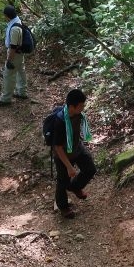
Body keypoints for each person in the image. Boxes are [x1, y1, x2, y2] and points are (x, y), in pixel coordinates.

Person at [49, 88, 96, 219]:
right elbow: (57, 147)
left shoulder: (78, 115)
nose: (83, 108)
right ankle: (63, 207)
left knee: (90, 169)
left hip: (76, 148)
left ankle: (75, 187)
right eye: (81, 106)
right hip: (62, 154)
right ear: (71, 106)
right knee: (63, 181)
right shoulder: (60, 121)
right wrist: (69, 166)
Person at [0, 5, 28, 106]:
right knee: (20, 71)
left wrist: (9, 60)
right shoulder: (18, 21)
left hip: (15, 53)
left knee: (8, 75)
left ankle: (5, 99)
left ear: (7, 16)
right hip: (20, 53)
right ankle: (21, 92)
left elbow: (13, 46)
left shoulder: (14, 28)